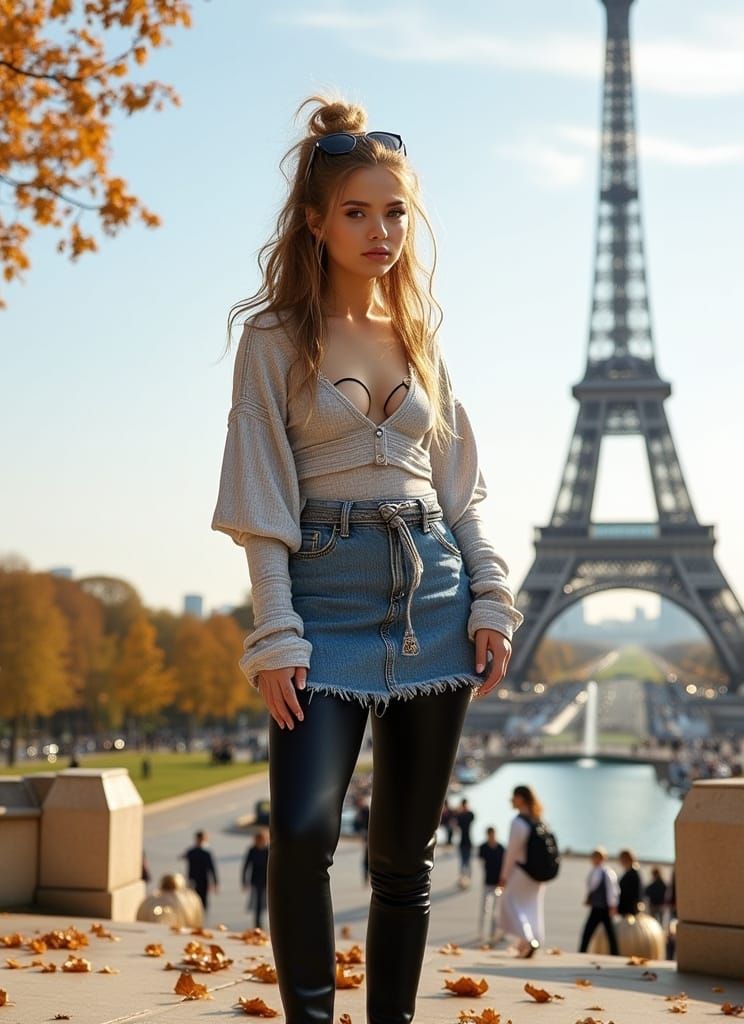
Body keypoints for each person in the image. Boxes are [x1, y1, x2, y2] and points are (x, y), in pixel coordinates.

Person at [211, 94, 522, 1024]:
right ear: (316, 220)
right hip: (326, 601)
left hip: (435, 596)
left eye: (395, 212)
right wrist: (276, 630)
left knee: (403, 861)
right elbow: (262, 500)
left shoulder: (420, 338)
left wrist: (492, 595)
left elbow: (460, 491)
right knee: (302, 835)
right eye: (356, 211)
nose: (380, 230)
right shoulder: (272, 342)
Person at [497, 785, 548, 958]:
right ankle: (526, 944)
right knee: (531, 907)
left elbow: (511, 853)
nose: (511, 800)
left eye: (513, 796)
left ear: (520, 798)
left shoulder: (517, 822)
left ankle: (528, 940)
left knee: (509, 903)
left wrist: (503, 877)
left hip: (522, 872)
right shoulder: (538, 820)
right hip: (538, 875)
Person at [579, 846, 619, 955]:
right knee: (589, 931)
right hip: (596, 906)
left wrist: (612, 905)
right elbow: (592, 888)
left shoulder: (607, 872)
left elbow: (612, 891)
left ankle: (615, 952)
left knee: (609, 932)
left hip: (604, 907)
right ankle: (582, 951)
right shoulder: (594, 871)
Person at [477, 826, 505, 945]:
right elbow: (481, 862)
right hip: (487, 882)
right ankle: (481, 933)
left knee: (496, 910)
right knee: (485, 909)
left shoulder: (501, 848)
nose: (491, 837)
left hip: (498, 883)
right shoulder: (483, 847)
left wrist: (503, 881)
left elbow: (505, 865)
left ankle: (494, 933)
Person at [180, 830, 218, 911]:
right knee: (198, 903)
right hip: (196, 881)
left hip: (197, 881)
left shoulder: (193, 852)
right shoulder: (204, 853)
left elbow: (211, 869)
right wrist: (215, 882)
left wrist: (215, 882)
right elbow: (212, 869)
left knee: (198, 902)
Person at [242, 830, 270, 930]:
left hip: (267, 881)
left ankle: (270, 923)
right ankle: (258, 924)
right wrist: (244, 881)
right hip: (256, 880)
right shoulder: (252, 850)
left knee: (268, 902)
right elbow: (246, 866)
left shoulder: (268, 850)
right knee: (257, 902)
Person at [617, 848, 642, 916]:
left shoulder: (633, 873)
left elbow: (635, 893)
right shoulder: (628, 872)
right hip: (626, 908)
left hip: (629, 909)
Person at [456, 798, 475, 887]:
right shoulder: (466, 815)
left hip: (465, 841)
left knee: (465, 862)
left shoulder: (463, 815)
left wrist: (460, 811)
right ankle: (464, 878)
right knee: (464, 862)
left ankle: (466, 878)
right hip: (465, 841)